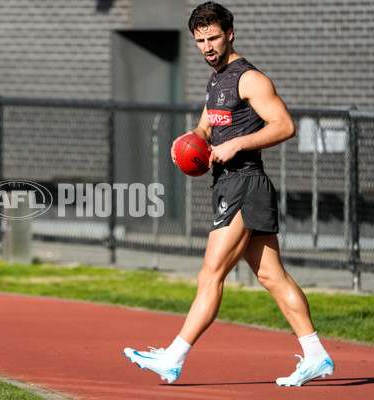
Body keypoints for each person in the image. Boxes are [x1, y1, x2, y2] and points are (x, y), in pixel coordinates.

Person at [123, 1, 334, 387]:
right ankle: (316, 353)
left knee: (211, 273)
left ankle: (173, 357)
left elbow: (284, 125)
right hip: (230, 185)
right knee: (272, 276)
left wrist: (237, 144)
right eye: (200, 40)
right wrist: (189, 141)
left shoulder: (249, 79)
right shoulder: (215, 80)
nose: (207, 46)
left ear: (230, 34)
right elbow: (205, 129)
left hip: (245, 184)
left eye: (214, 38)